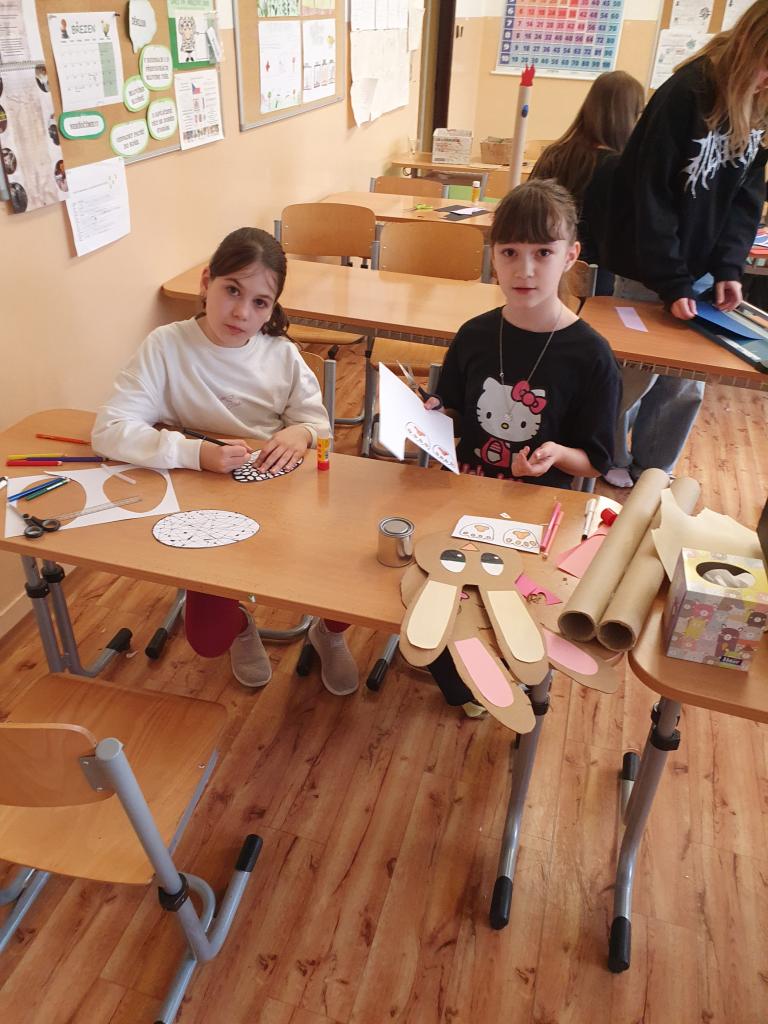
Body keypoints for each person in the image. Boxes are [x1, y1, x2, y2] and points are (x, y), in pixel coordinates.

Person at [92, 227, 358, 695]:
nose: (241, 312)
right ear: (206, 282)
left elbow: (319, 430)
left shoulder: (281, 355)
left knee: (347, 581)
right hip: (207, 501)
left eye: (260, 302)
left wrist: (299, 431)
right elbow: (110, 430)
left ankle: (326, 633)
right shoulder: (166, 346)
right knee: (208, 639)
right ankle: (239, 624)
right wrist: (194, 452)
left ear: (272, 308)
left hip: (281, 499)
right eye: (232, 290)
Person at [423, 179, 621, 716]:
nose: (525, 269)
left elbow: (596, 462)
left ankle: (499, 672)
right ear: (493, 256)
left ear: (571, 256)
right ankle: (463, 672)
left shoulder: (591, 355)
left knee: (507, 608)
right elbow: (453, 410)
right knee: (436, 590)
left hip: (542, 515)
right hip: (466, 497)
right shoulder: (475, 333)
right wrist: (431, 414)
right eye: (509, 252)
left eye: (542, 253)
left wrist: (556, 454)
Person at [600, 2, 768, 487]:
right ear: (751, 46)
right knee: (632, 374)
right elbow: (649, 196)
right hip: (646, 267)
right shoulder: (686, 92)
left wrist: (729, 269)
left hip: (700, 273)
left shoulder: (760, 104)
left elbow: (746, 199)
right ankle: (606, 456)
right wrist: (671, 280)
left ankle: (653, 471)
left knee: (685, 384)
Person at [529, 70, 645, 292]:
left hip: (544, 270)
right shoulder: (618, 167)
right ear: (628, 116)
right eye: (638, 114)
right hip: (596, 281)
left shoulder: (554, 153)